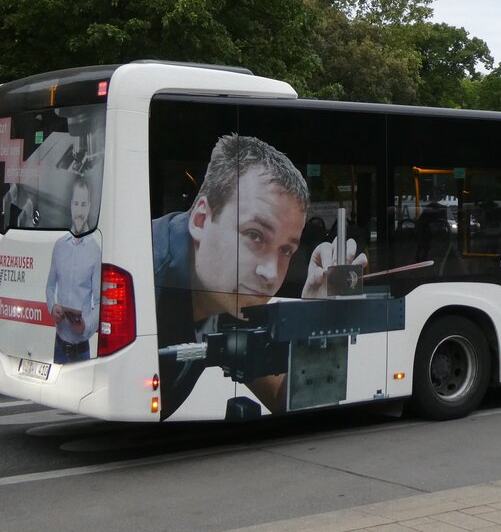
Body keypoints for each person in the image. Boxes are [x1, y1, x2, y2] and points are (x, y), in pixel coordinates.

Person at [152, 134, 366, 417]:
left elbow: (288, 398)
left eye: (286, 250)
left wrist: (318, 314)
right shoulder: (143, 278)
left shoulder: (230, 294)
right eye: (255, 236)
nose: (270, 273)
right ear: (201, 220)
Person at [45, 177, 101, 362]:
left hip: (81, 350)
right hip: (58, 345)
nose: (79, 210)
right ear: (71, 206)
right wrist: (52, 308)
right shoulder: (59, 246)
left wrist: (86, 326)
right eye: (76, 203)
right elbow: (50, 287)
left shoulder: (94, 251)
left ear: (89, 207)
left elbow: (100, 302)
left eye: (83, 204)